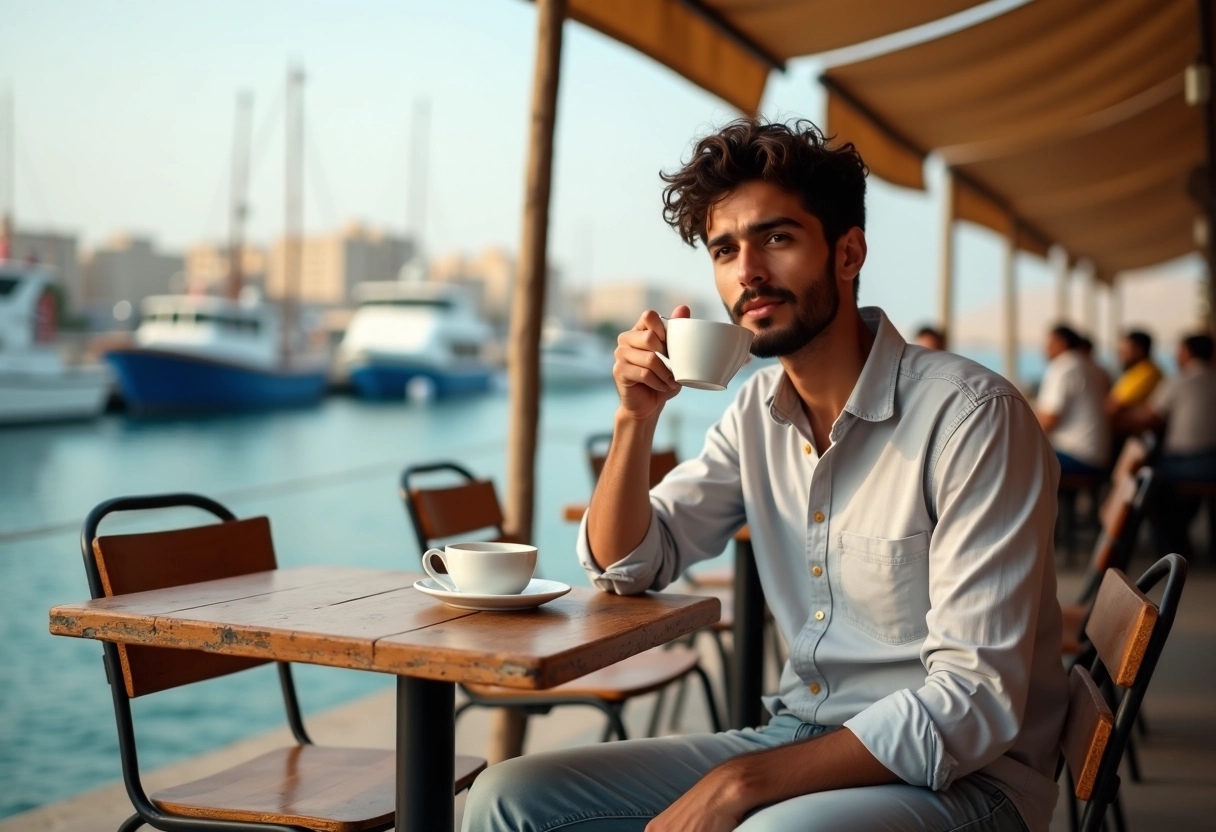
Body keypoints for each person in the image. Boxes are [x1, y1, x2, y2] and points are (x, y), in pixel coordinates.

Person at [463, 119, 1067, 832]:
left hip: (968, 780)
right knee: (510, 794)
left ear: (848, 252)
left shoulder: (972, 417)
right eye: (725, 249)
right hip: (799, 735)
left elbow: (973, 703)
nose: (747, 270)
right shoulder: (754, 411)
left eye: (776, 239)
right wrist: (635, 418)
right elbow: (631, 563)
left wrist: (740, 783)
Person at [1139, 334, 1216, 558]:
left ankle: (1171, 551)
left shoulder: (1180, 380)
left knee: (1150, 482)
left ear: (1187, 353)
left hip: (1186, 461)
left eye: (1178, 351)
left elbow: (1150, 417)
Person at [1035, 324, 1110, 476]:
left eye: (1048, 344)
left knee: (1017, 460)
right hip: (1099, 454)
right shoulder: (1095, 367)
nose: (1044, 349)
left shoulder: (1063, 367)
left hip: (1077, 456)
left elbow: (1049, 420)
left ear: (1061, 343)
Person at [1107, 330, 1163, 432]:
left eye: (1124, 351)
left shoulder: (1146, 372)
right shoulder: (1138, 371)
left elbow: (1113, 407)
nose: (1120, 355)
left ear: (1139, 350)